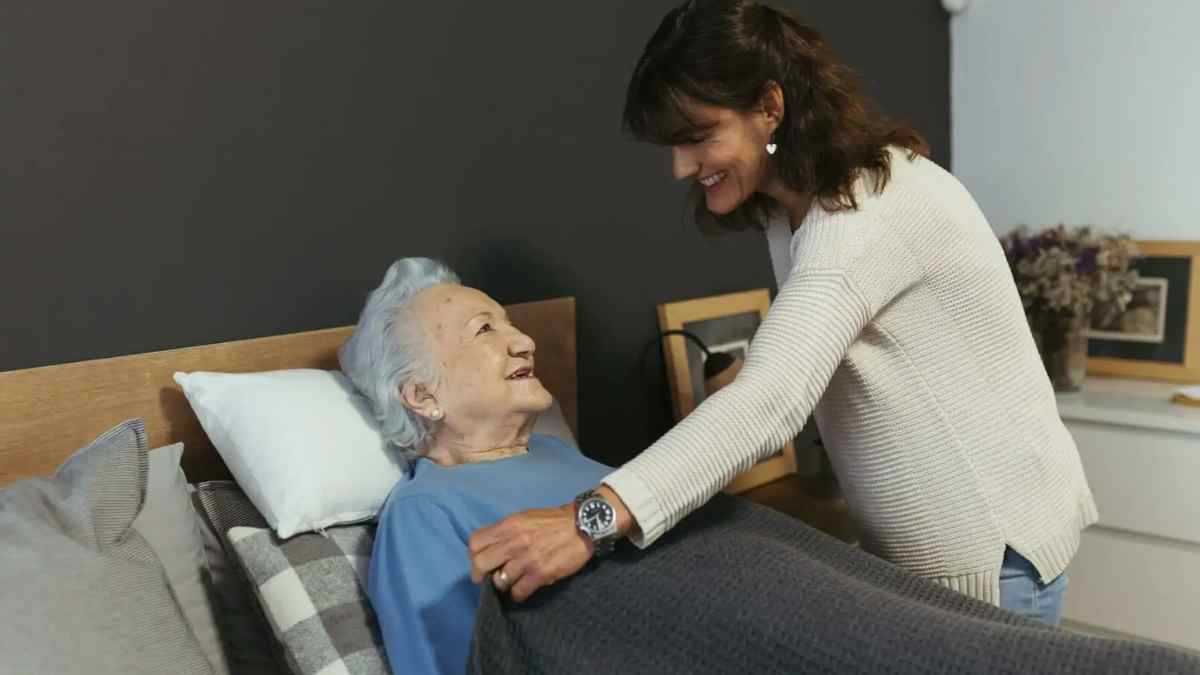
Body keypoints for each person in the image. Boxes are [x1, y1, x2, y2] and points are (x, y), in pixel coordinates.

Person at [467, 0, 1095, 626]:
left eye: (697, 138)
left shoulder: (864, 212)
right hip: (930, 555)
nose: (681, 167)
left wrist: (588, 520)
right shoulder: (789, 211)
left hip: (992, 557)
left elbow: (774, 399)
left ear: (769, 107)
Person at [338, 258, 613, 675]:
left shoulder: (554, 451)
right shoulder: (424, 512)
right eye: (484, 329)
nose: (524, 341)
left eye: (508, 324)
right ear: (422, 395)